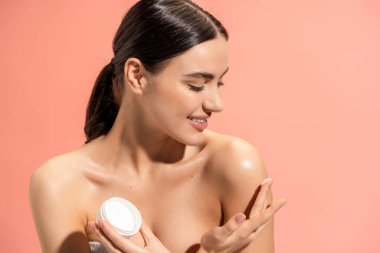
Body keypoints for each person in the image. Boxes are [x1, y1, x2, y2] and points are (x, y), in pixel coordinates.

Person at [29, 0, 287, 252]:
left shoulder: (233, 164)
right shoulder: (60, 184)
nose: (216, 104)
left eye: (219, 83)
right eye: (196, 85)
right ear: (137, 76)